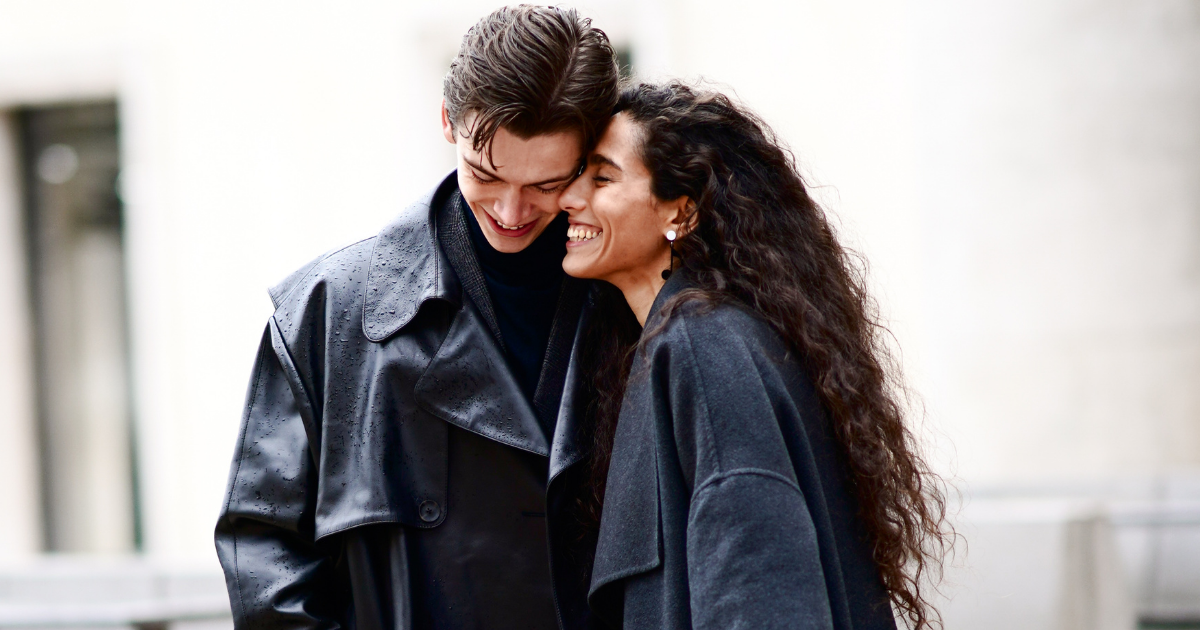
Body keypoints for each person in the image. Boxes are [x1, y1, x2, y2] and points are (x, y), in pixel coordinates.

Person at [214, 7, 620, 629]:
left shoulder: (642, 306)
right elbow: (265, 557)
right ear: (447, 122)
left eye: (545, 184)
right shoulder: (326, 314)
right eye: (486, 174)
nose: (512, 210)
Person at [561, 82, 951, 630]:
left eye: (602, 178)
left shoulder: (702, 346)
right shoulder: (696, 339)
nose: (567, 197)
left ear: (682, 212)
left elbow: (760, 585)